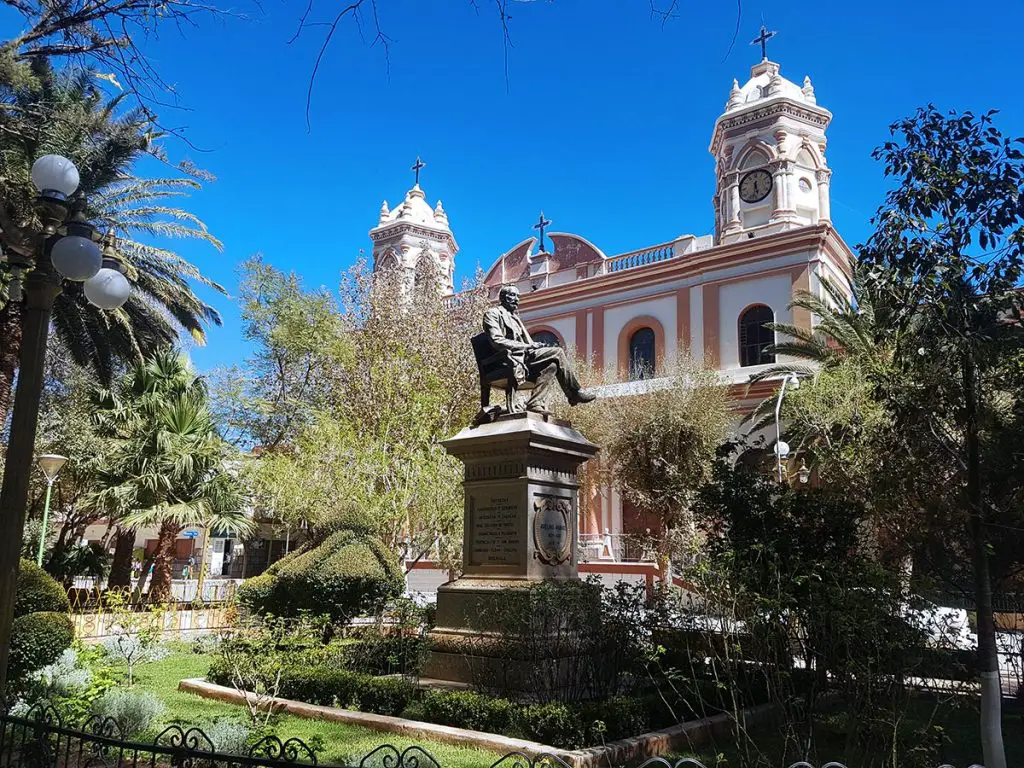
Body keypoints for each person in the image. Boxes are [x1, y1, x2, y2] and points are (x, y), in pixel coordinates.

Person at [483, 285, 597, 412]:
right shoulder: (492, 314)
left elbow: (527, 342)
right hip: (507, 361)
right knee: (557, 352)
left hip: (524, 358)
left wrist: (535, 346)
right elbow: (496, 340)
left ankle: (535, 403)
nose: (516, 299)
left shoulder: (515, 318)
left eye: (518, 296)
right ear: (503, 297)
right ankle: (574, 392)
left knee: (552, 365)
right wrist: (528, 346)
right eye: (512, 295)